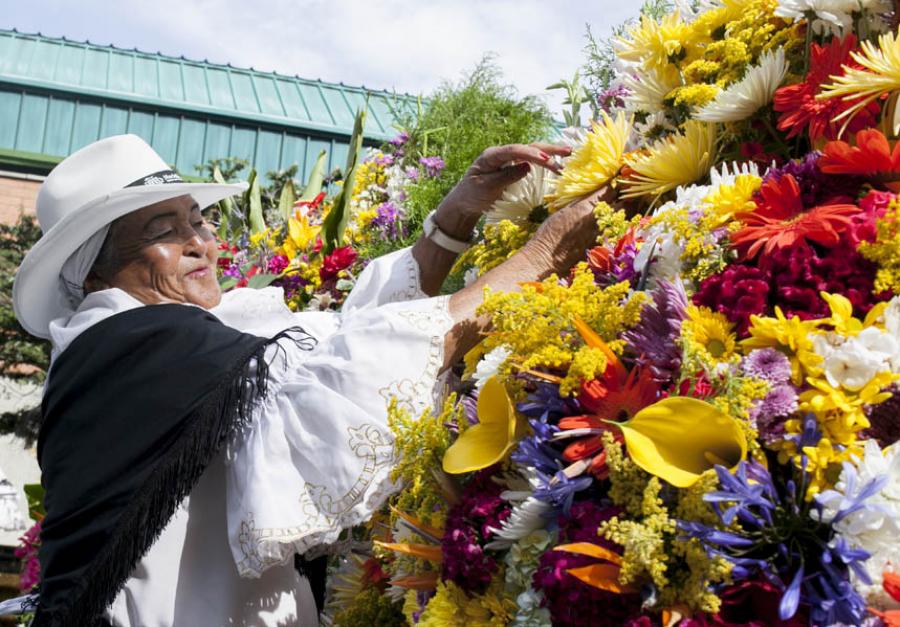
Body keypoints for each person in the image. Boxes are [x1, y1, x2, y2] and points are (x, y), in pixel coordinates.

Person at [11, 134, 605, 626]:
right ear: (95, 272)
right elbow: (336, 385)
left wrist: (454, 217)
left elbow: (342, 337)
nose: (200, 243)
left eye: (198, 220)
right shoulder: (126, 341)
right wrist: (538, 259)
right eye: (162, 231)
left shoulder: (161, 335)